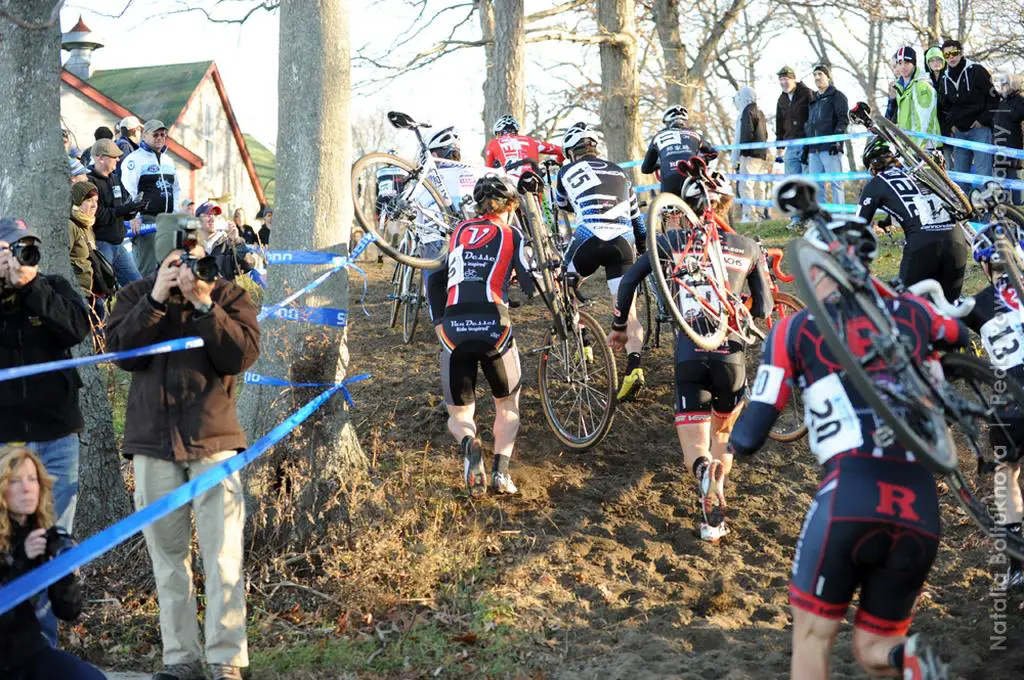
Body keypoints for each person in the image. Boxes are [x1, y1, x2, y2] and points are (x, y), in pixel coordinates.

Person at [728, 207, 956, 679]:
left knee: (813, 638)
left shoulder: (798, 327)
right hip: (919, 505)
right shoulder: (913, 312)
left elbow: (752, 431)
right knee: (877, 647)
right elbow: (955, 334)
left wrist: (729, 453)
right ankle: (910, 659)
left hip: (850, 493)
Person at [105, 215, 260, 680]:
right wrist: (156, 297)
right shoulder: (135, 297)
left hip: (213, 440)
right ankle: (180, 659)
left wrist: (203, 303)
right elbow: (121, 352)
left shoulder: (228, 295)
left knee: (223, 554)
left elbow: (240, 356)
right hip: (153, 444)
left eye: (193, 257)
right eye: (176, 259)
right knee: (168, 558)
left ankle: (226, 659)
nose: (186, 267)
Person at [608, 178, 772, 540]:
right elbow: (763, 308)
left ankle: (702, 475)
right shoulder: (748, 246)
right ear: (726, 204)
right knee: (723, 435)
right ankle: (717, 512)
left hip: (690, 354)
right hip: (731, 355)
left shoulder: (672, 241)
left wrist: (620, 325)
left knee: (696, 448)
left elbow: (628, 281)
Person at [0, 216, 90, 646]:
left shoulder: (51, 286)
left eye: (26, 248)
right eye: (12, 249)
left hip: (56, 436)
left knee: (51, 543)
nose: (21, 257)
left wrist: (30, 287)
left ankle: (44, 647)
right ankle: (13, 643)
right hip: (6, 442)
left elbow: (77, 328)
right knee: (8, 543)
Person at [432, 174, 537, 496]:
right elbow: (532, 284)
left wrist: (439, 320)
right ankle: (501, 474)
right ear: (512, 205)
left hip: (453, 329)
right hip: (494, 325)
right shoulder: (512, 233)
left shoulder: (459, 232)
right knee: (507, 404)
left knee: (460, 413)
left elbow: (435, 277)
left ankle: (469, 443)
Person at [555, 123, 648, 401]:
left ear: (571, 152)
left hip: (588, 238)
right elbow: (638, 223)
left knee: (563, 285)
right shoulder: (620, 172)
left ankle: (583, 340)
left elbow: (562, 204)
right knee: (627, 310)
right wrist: (641, 248)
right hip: (622, 243)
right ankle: (634, 368)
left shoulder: (565, 170)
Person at [0, 446, 106, 680]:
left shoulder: (43, 534)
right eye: (15, 481)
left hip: (27, 653)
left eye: (32, 479)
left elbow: (69, 611)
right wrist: (22, 561)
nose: (27, 488)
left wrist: (63, 574)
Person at [962, 223, 1024, 588]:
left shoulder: (976, 303)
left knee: (1006, 472)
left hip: (1010, 402)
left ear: (986, 267)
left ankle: (1017, 562)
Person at [856, 136, 968, 302]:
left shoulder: (875, 183)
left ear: (873, 166)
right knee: (949, 308)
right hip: (957, 241)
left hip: (923, 245)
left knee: (906, 307)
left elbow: (858, 225)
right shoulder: (920, 173)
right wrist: (887, 220)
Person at [418, 127, 502, 325]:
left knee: (435, 287)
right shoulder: (475, 173)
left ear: (436, 154)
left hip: (436, 241)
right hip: (472, 239)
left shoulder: (426, 177)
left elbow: (417, 215)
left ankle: (441, 332)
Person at [121, 120, 180, 278]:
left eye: (163, 134)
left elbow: (176, 189)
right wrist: (134, 216)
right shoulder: (134, 160)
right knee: (147, 271)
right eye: (155, 134)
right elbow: (128, 190)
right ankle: (141, 301)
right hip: (146, 221)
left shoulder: (169, 160)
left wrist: (176, 214)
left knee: (167, 270)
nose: (160, 138)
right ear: (144, 135)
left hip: (166, 220)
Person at [937, 39, 999, 188]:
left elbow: (994, 98)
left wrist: (982, 120)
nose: (951, 57)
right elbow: (943, 107)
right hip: (959, 132)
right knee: (960, 175)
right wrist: (950, 126)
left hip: (980, 130)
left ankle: (985, 208)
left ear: (961, 53)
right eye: (947, 55)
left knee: (982, 172)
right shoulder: (944, 78)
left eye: (954, 53)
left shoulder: (976, 70)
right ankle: (965, 211)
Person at [88, 139, 144, 287]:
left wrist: (135, 208)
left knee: (137, 286)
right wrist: (125, 209)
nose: (118, 159)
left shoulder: (115, 178)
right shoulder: (89, 182)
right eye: (114, 156)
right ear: (100, 158)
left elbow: (124, 209)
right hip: (101, 245)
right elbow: (97, 215)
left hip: (119, 245)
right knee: (101, 288)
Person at [641, 105, 718, 196]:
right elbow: (713, 153)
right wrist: (702, 159)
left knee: (669, 208)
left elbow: (645, 169)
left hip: (669, 179)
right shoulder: (695, 135)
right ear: (684, 121)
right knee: (696, 208)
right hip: (691, 177)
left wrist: (658, 165)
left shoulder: (657, 137)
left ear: (667, 123)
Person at [804, 64, 849, 206]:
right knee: (815, 185)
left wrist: (837, 140)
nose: (817, 78)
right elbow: (809, 124)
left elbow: (843, 120)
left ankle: (840, 214)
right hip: (813, 150)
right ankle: (821, 216)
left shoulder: (837, 96)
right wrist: (807, 147)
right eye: (815, 75)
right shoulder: (813, 99)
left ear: (827, 77)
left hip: (830, 148)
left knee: (836, 182)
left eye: (820, 74)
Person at [730, 87, 770, 222]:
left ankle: (749, 215)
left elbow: (742, 135)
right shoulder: (760, 112)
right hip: (762, 154)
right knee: (760, 185)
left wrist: (736, 158)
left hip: (748, 155)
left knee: (745, 185)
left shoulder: (746, 112)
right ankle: (760, 213)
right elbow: (765, 134)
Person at [484, 115, 564, 181]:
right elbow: (561, 150)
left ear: (499, 133)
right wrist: (558, 161)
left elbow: (488, 171)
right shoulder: (532, 141)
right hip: (533, 179)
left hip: (510, 181)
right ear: (516, 131)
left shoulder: (493, 143)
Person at [195, 202, 254, 282]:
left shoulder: (228, 244)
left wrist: (237, 240)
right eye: (208, 215)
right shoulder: (192, 245)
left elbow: (248, 265)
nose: (212, 218)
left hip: (224, 293)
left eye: (215, 215)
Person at [992, 74, 1024, 204]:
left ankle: (1018, 205)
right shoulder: (1001, 101)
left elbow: (1018, 115)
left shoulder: (1019, 100)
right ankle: (1005, 208)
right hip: (998, 147)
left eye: (1006, 84)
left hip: (1013, 146)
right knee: (1001, 179)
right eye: (1002, 84)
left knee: (1014, 177)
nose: (1004, 87)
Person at [68, 181, 98, 304]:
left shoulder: (87, 223)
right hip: (76, 293)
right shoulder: (70, 224)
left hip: (90, 290)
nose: (94, 206)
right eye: (89, 200)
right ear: (78, 201)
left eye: (96, 201)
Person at [924, 47, 954, 167]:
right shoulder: (924, 80)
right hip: (931, 128)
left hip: (948, 127)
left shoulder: (949, 77)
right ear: (928, 63)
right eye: (932, 60)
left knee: (949, 160)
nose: (935, 63)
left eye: (938, 59)